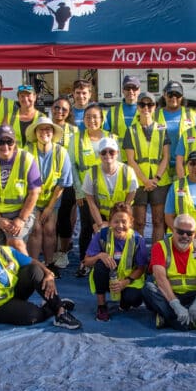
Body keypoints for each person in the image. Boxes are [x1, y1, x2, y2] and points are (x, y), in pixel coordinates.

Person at [0, 221, 82, 329]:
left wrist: (49, 274)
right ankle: (51, 306)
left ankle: (59, 310)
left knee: (34, 270)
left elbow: (33, 262)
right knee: (33, 316)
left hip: (13, 294)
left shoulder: (5, 251)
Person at [144, 213, 196, 331]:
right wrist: (175, 304)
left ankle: (170, 318)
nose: (185, 236)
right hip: (169, 295)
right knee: (148, 290)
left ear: (194, 233)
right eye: (180, 232)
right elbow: (160, 277)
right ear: (173, 230)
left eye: (189, 233)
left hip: (193, 295)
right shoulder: (160, 247)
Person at [0, 124, 42, 254]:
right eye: (1, 142)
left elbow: (35, 192)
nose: (5, 146)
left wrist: (21, 219)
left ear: (15, 142)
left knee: (15, 243)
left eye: (9, 141)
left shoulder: (27, 159)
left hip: (20, 212)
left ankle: (31, 272)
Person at [82, 138, 140, 277]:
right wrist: (101, 223)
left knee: (124, 232)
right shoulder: (92, 173)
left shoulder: (128, 171)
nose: (108, 155)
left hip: (121, 214)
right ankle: (96, 263)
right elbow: (90, 201)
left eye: (111, 152)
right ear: (99, 155)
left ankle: (124, 264)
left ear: (117, 153)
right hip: (100, 214)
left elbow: (131, 195)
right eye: (104, 152)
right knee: (101, 232)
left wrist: (117, 220)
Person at [82, 202, 148, 321]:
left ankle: (124, 302)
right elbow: (86, 262)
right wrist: (99, 256)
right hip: (108, 280)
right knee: (100, 264)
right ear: (110, 222)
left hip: (127, 281)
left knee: (135, 299)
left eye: (124, 221)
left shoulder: (138, 239)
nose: (120, 225)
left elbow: (141, 268)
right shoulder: (101, 235)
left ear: (131, 222)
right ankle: (102, 306)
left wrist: (125, 282)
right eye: (116, 221)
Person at [25, 117, 74, 272]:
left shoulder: (61, 152)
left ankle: (49, 264)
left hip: (52, 200)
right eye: (41, 129)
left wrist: (48, 208)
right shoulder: (27, 151)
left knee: (50, 229)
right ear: (35, 132)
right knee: (36, 229)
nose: (44, 132)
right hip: (30, 199)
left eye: (48, 129)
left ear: (53, 133)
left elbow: (62, 184)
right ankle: (33, 267)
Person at [124, 92, 171, 243]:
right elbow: (130, 160)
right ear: (137, 107)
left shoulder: (163, 129)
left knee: (159, 221)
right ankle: (140, 256)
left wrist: (156, 179)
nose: (146, 108)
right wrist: (145, 180)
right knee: (139, 222)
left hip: (160, 181)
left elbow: (166, 157)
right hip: (139, 182)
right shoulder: (131, 130)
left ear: (155, 107)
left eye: (150, 105)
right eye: (142, 104)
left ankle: (156, 257)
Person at [71, 105, 109, 274]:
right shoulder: (76, 138)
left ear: (102, 119)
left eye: (95, 117)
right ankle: (84, 263)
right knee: (87, 227)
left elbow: (119, 165)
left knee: (107, 228)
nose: (92, 120)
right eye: (88, 117)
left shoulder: (110, 138)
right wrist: (79, 191)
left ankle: (108, 262)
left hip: (107, 193)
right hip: (85, 193)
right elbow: (72, 166)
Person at [50, 97, 77, 267]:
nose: (60, 111)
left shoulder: (74, 131)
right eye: (57, 107)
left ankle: (63, 252)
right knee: (50, 219)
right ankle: (50, 251)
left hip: (68, 181)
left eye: (64, 109)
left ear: (69, 113)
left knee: (65, 217)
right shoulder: (44, 126)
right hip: (48, 182)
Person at [155, 80, 194, 155]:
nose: (174, 98)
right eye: (170, 94)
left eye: (177, 95)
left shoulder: (192, 115)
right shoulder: (154, 115)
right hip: (162, 164)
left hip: (184, 164)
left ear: (182, 96)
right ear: (164, 95)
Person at [104, 75, 142, 145]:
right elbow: (105, 134)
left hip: (138, 154)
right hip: (118, 155)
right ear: (122, 90)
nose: (131, 91)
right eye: (127, 88)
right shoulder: (112, 112)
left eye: (134, 88)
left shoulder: (145, 111)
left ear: (139, 90)